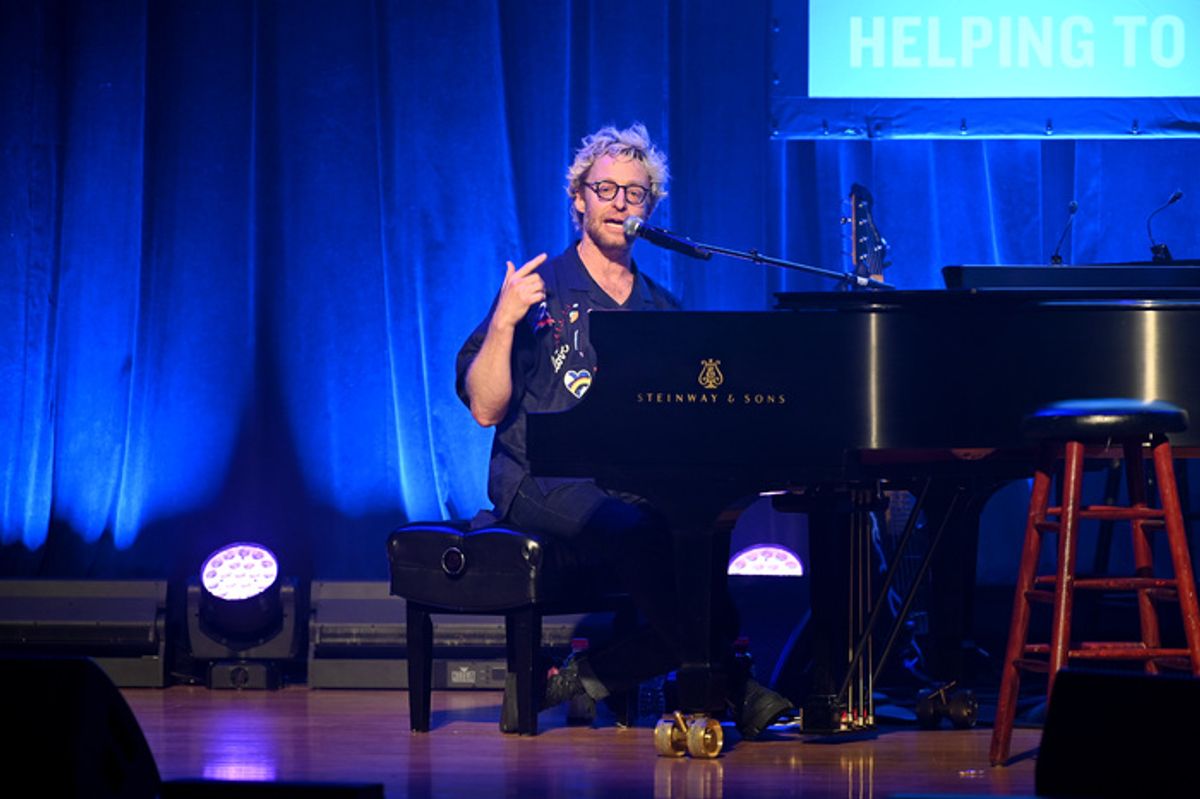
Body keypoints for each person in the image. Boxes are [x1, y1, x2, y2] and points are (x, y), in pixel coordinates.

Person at [455, 123, 791, 739]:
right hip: (539, 476)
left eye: (633, 194)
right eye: (604, 188)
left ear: (650, 209)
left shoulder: (659, 307)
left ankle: (589, 674)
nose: (618, 202)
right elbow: (484, 408)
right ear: (578, 198)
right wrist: (504, 322)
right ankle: (731, 683)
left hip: (626, 481)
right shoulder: (538, 290)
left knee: (699, 531)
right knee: (637, 532)